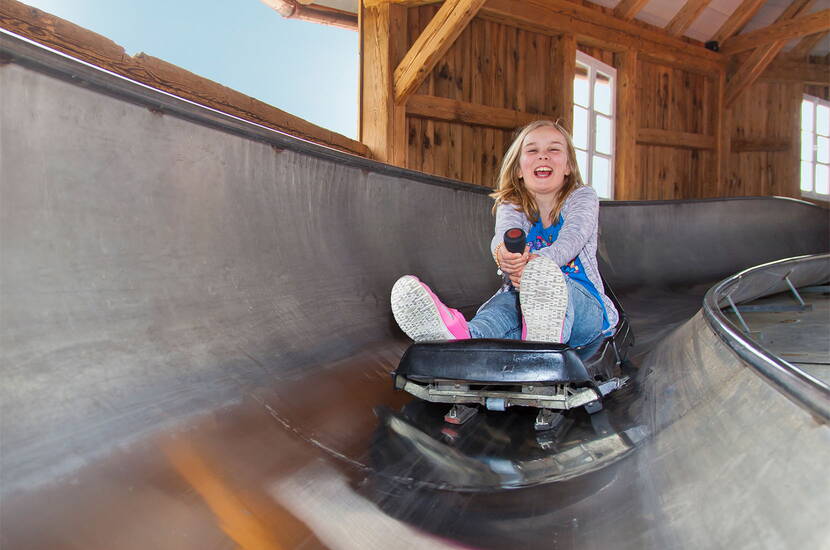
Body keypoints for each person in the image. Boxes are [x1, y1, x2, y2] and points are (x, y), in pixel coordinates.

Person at [390, 120, 618, 346]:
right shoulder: (512, 203)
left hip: (583, 305)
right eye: (532, 150)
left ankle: (545, 338)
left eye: (554, 149)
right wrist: (502, 254)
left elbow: (573, 237)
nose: (543, 156)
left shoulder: (582, 197)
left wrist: (537, 268)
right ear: (519, 169)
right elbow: (504, 235)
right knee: (500, 310)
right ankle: (458, 336)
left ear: (568, 166)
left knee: (551, 288)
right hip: (520, 298)